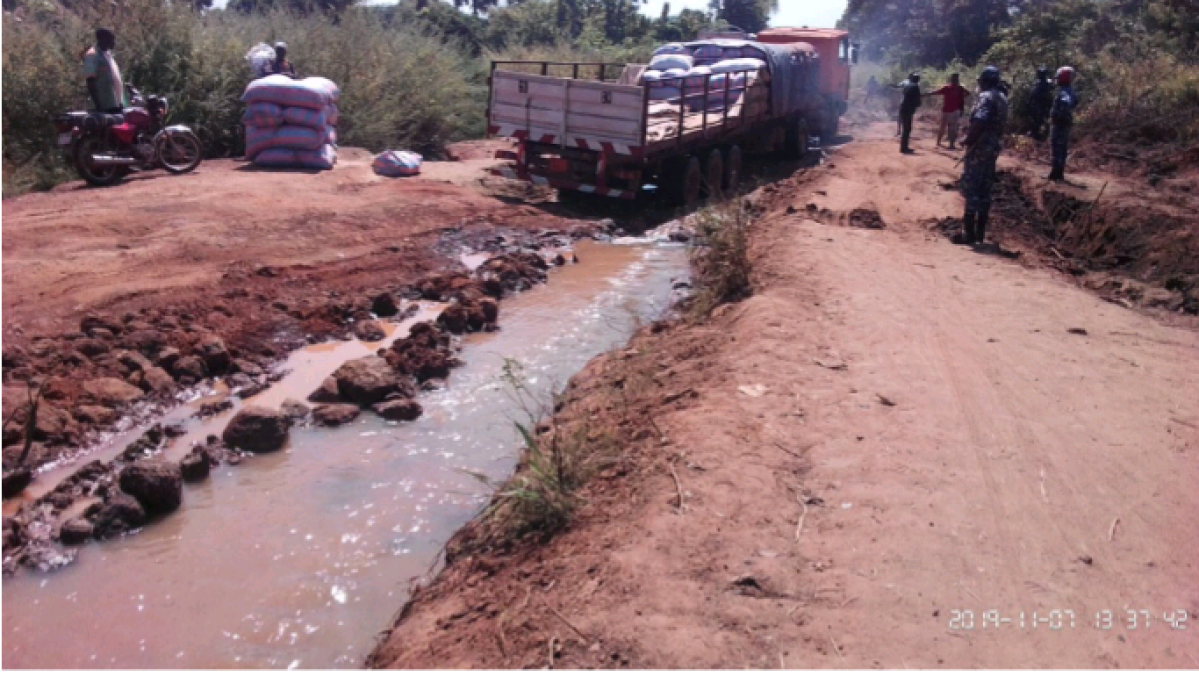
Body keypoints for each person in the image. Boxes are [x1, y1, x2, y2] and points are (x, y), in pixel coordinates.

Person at [957, 65, 1009, 245]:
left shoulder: (986, 97)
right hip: (992, 148)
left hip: (979, 148)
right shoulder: (1002, 97)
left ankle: (968, 233)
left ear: (985, 81)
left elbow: (980, 120)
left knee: (972, 187)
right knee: (985, 189)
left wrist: (968, 139)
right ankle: (980, 233)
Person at [82, 28, 127, 113]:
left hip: (115, 104)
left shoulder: (109, 55)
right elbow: (90, 81)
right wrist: (98, 106)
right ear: (102, 39)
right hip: (103, 106)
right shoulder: (92, 55)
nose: (114, 42)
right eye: (111, 39)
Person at [1048, 66, 1078, 182]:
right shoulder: (1070, 91)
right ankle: (1057, 173)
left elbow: (1066, 103)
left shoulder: (1064, 92)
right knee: (1061, 147)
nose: (1057, 79)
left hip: (1060, 124)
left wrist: (1060, 115)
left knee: (1057, 147)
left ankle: (1056, 173)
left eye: (1059, 77)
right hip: (1064, 124)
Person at [928, 73, 970, 149]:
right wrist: (961, 98)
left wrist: (925, 94)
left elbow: (935, 92)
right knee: (952, 127)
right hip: (954, 111)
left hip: (946, 110)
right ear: (957, 79)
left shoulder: (947, 87)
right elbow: (968, 93)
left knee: (943, 126)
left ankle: (939, 142)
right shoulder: (960, 88)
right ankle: (950, 145)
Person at [894, 72, 922, 153]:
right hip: (908, 110)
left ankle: (904, 147)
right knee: (907, 129)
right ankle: (904, 148)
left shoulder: (908, 86)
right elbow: (917, 101)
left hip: (903, 108)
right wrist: (918, 103)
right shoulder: (916, 87)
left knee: (905, 129)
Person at [1027, 67, 1054, 141]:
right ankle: (1039, 134)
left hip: (1040, 104)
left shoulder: (1037, 84)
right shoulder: (1048, 83)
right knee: (1041, 120)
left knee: (1037, 120)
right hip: (1044, 104)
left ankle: (1037, 134)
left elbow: (1033, 95)